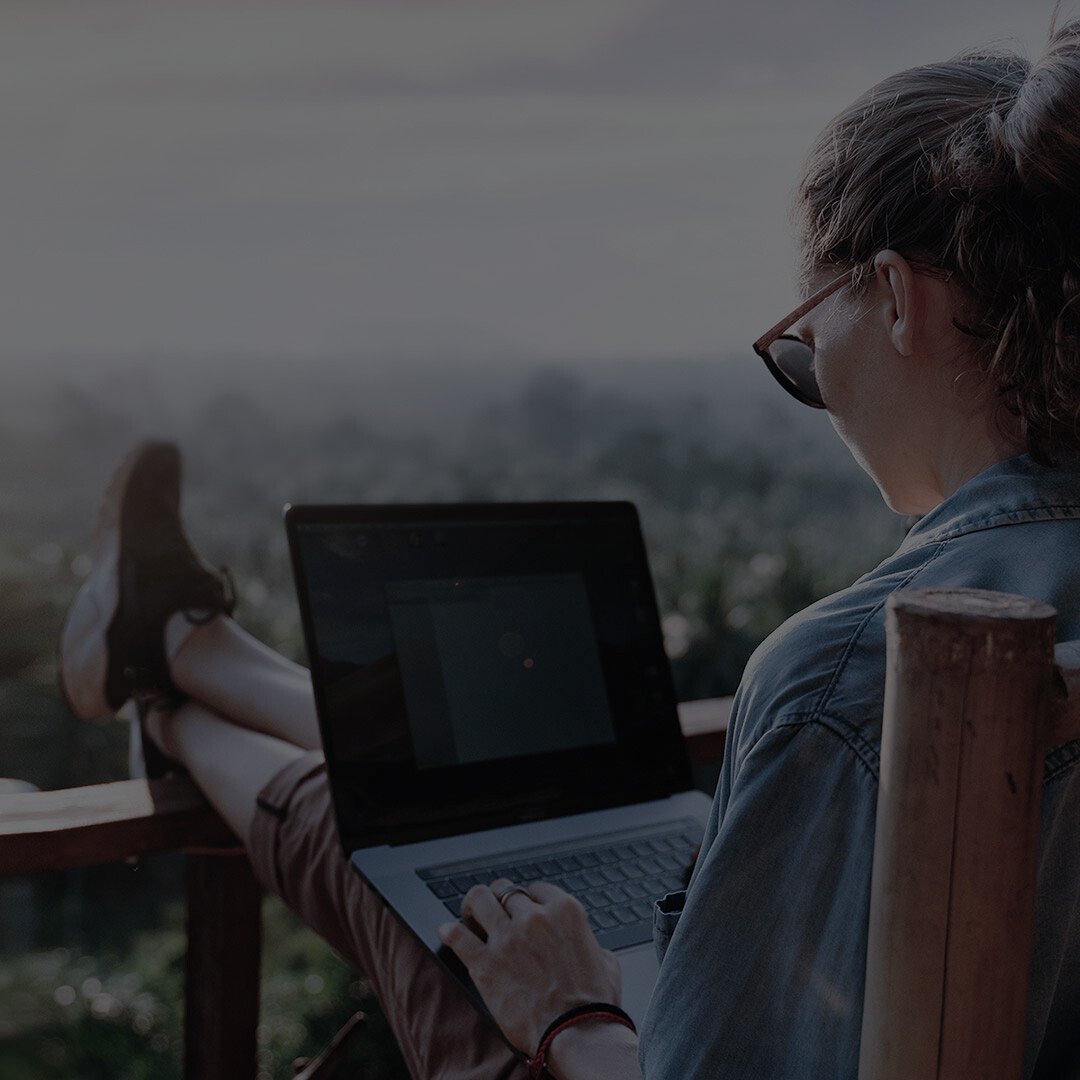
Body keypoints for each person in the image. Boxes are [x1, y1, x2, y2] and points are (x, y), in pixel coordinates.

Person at [58, 17, 1080, 1080]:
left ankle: (171, 676)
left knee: (412, 872)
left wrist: (571, 1016)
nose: (815, 390)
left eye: (805, 348)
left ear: (901, 301)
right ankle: (183, 649)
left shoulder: (853, 670)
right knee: (436, 812)